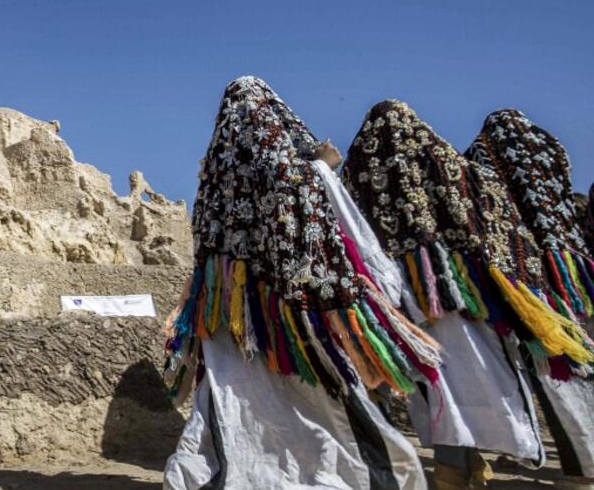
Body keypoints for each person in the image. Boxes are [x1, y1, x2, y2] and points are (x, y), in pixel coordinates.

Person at [162, 77, 442, 489]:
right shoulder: (276, 155)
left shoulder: (216, 172)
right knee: (315, 416)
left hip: (229, 315)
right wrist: (322, 167)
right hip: (285, 315)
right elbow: (290, 189)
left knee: (229, 405)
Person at [343, 101, 594, 490]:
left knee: (442, 389)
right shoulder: (451, 165)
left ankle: (458, 471)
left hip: (406, 299)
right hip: (480, 290)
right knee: (476, 381)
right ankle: (470, 468)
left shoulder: (359, 170)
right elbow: (488, 219)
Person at [466, 109, 594, 490]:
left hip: (525, 279)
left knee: (554, 369)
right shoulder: (549, 150)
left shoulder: (480, 156)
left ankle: (583, 466)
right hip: (571, 268)